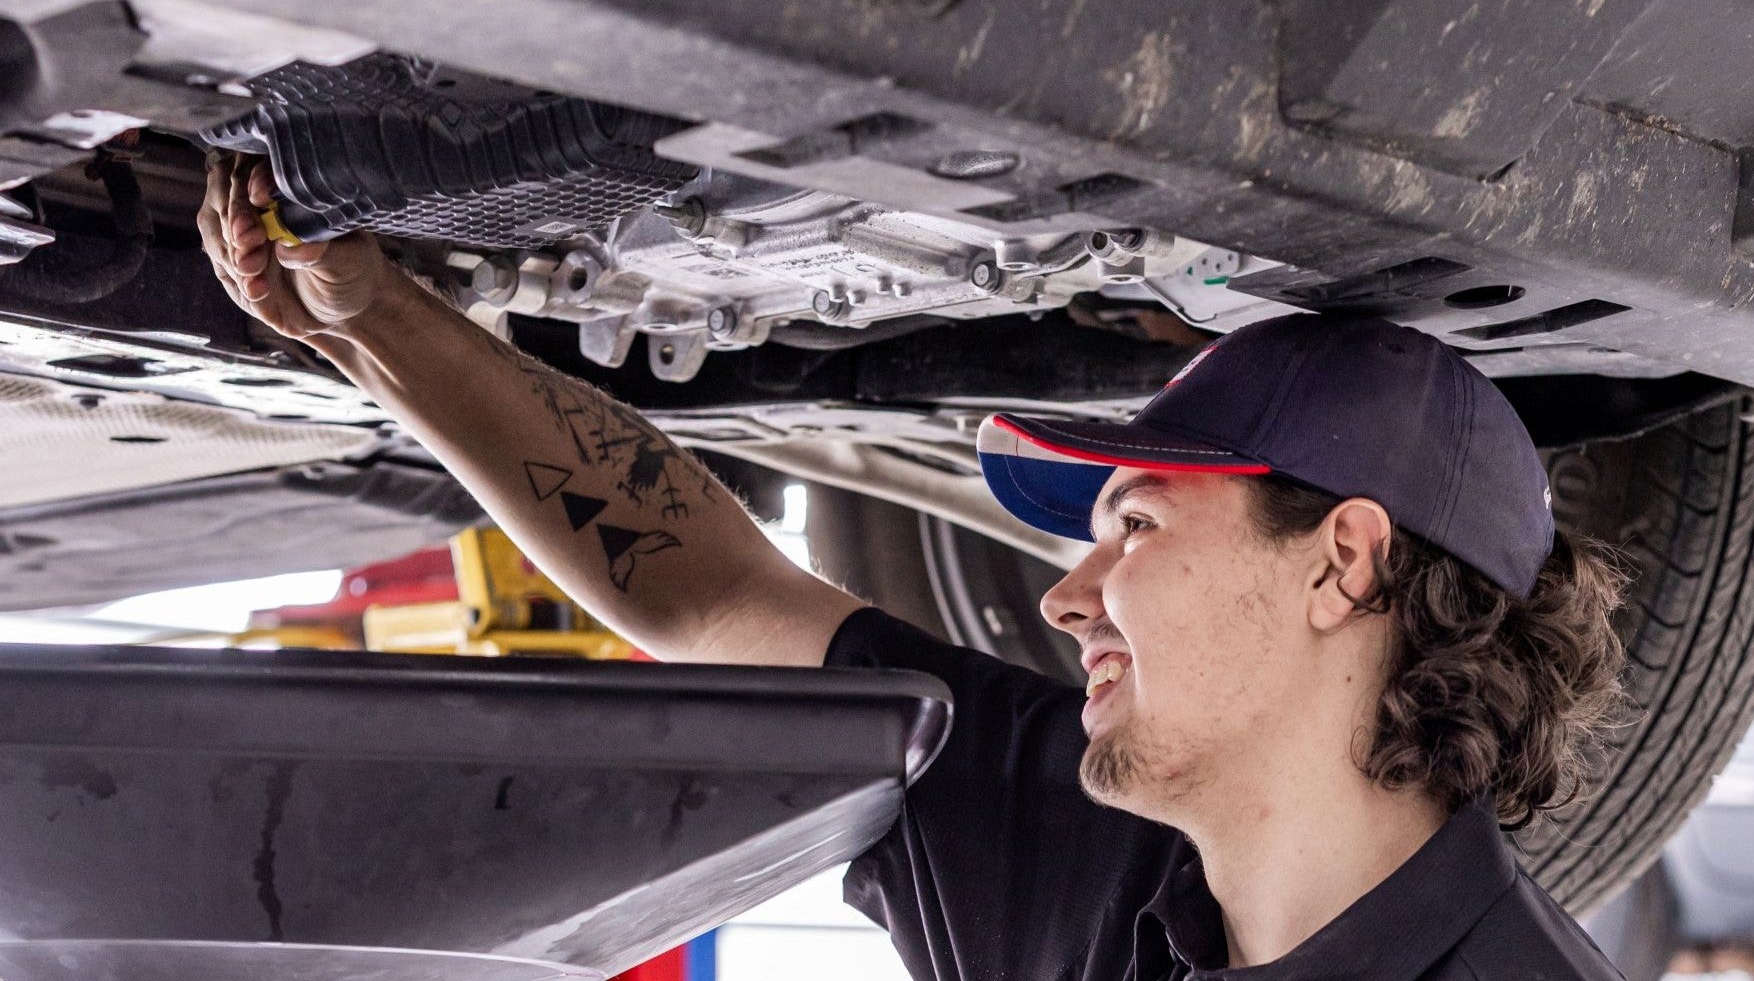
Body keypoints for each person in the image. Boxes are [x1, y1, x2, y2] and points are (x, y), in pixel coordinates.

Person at [200, 155, 1631, 980]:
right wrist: (373, 322)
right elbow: (711, 594)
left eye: (1134, 526)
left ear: (1343, 567)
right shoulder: (1086, 870)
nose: (1068, 595)